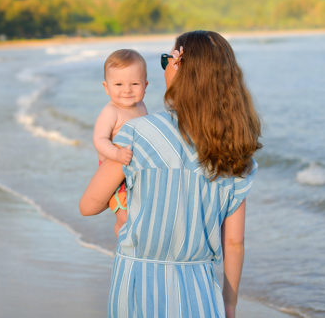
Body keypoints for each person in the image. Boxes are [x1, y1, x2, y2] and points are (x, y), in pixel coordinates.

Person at [80, 30, 262, 318]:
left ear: (178, 70)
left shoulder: (139, 132)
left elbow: (88, 205)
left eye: (169, 60)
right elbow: (234, 242)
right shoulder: (236, 150)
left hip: (138, 283)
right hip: (201, 287)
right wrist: (229, 304)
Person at [93, 49, 148, 237]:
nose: (127, 90)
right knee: (124, 216)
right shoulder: (111, 111)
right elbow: (99, 140)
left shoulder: (141, 106)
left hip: (136, 170)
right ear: (106, 87)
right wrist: (116, 154)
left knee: (140, 211)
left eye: (134, 83)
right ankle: (122, 243)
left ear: (145, 85)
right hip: (115, 174)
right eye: (118, 84)